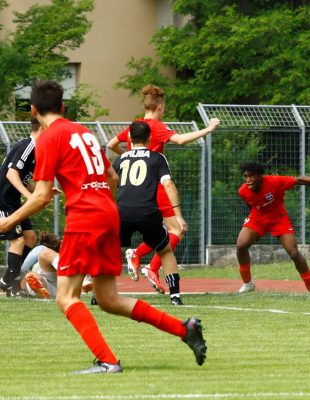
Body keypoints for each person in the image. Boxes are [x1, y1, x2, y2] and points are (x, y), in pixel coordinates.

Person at [0, 80, 207, 374]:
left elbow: (42, 195)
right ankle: (184, 329)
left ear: (33, 110)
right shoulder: (84, 133)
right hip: (109, 214)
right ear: (62, 106)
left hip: (85, 219)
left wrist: (9, 220)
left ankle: (108, 361)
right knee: (108, 299)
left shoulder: (47, 139)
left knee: (66, 297)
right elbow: (111, 176)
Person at [107, 84, 220, 294]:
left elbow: (112, 143)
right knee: (178, 228)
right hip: (154, 186)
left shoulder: (135, 125)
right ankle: (147, 263)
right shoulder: (155, 127)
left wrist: (128, 156)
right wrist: (208, 129)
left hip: (132, 190)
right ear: (160, 107)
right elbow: (181, 139)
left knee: (153, 233)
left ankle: (142, 262)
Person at [113, 121, 185, 305]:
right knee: (165, 250)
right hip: (148, 212)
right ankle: (175, 296)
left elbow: (110, 181)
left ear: (129, 137)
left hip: (122, 212)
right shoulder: (157, 158)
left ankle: (99, 293)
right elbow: (168, 184)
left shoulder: (120, 160)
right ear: (150, 138)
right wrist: (177, 213)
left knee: (108, 249)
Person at [236, 162, 310, 293]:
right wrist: (255, 229)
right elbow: (251, 205)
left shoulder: (274, 181)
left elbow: (298, 180)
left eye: (251, 176)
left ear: (260, 176)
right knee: (241, 245)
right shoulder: (243, 191)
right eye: (246, 176)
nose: (248, 179)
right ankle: (248, 284)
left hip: (279, 218)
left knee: (293, 253)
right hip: (257, 218)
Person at [0, 117, 41, 296]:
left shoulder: (37, 150)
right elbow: (11, 174)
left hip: (13, 200)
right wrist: (30, 196)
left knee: (30, 237)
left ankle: (8, 281)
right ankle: (13, 286)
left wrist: (38, 191)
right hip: (3, 198)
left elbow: (23, 179)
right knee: (17, 240)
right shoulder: (29, 145)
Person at [18, 232, 93, 299]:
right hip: (52, 286)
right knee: (31, 276)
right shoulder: (43, 249)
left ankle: (76, 283)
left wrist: (21, 289)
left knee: (43, 257)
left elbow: (24, 268)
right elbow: (24, 269)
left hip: (60, 280)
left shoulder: (44, 250)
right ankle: (45, 292)